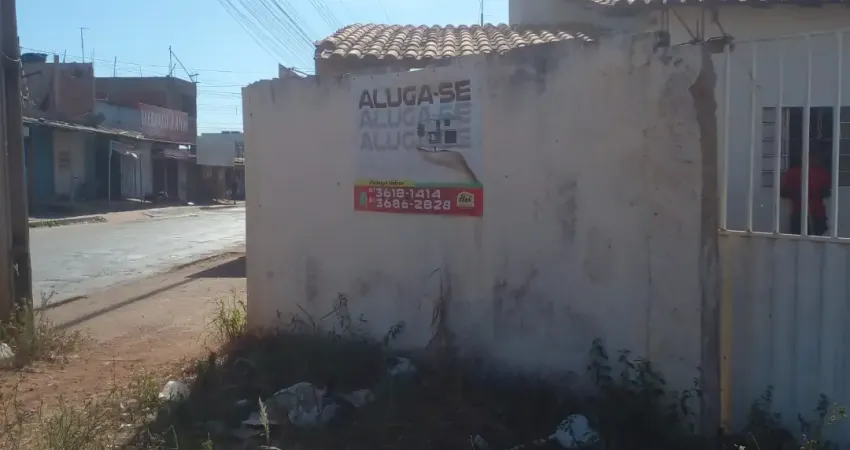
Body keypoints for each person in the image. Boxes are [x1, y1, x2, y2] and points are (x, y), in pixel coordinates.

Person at [780, 149, 831, 235]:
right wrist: (799, 194)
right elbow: (784, 192)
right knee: (799, 240)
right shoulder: (793, 172)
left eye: (815, 156)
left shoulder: (822, 172)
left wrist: (816, 193)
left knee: (817, 240)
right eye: (811, 156)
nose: (814, 159)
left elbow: (827, 192)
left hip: (817, 214)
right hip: (799, 213)